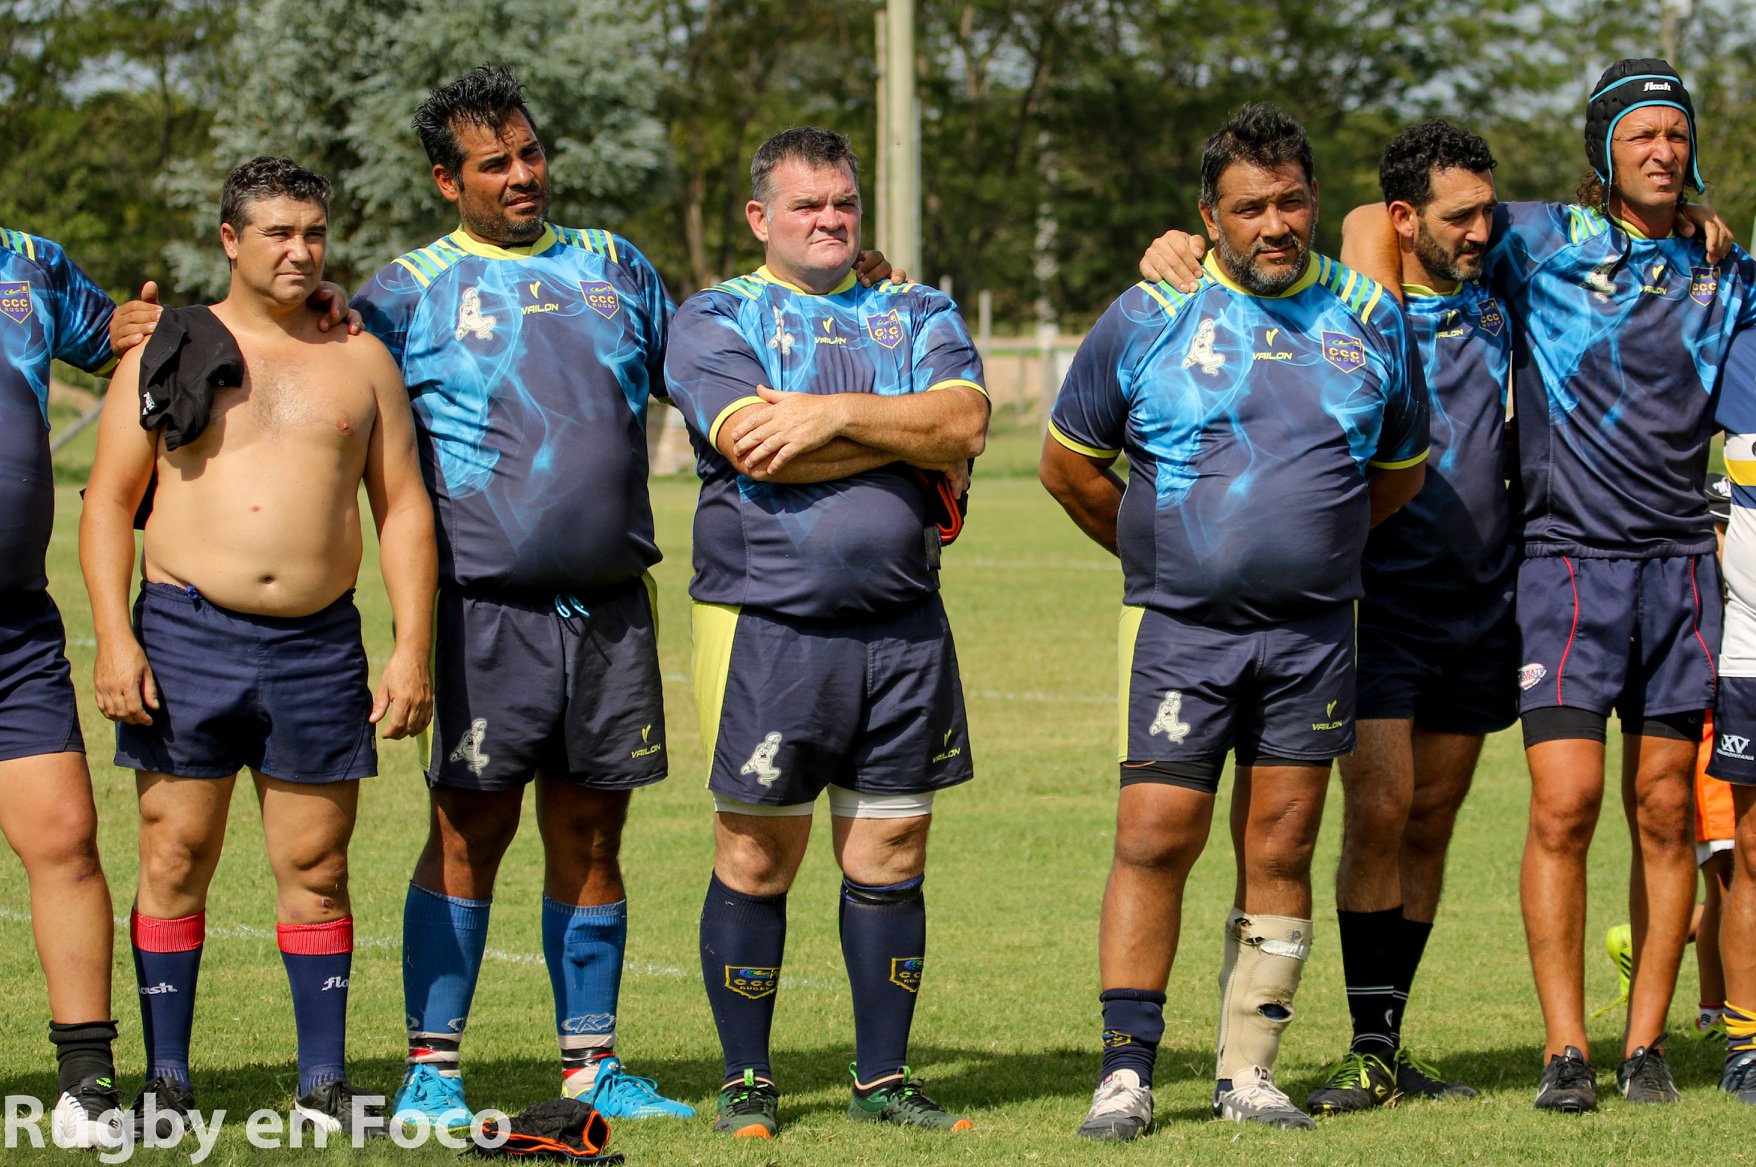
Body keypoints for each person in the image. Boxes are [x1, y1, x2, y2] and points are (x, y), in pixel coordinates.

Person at [1042, 103, 1427, 1140]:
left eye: (1292, 200)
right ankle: (1125, 1074)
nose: (1275, 223)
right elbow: (1068, 467)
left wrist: (1314, 545)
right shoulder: (1148, 311)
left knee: (1285, 840)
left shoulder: (1370, 314)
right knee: (1154, 836)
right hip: (1182, 633)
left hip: (1311, 638)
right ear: (1208, 217)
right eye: (1249, 206)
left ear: (1312, 200)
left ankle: (1248, 1072)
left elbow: (1397, 472)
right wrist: (1164, 554)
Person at [350, 66, 694, 1131]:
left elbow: (711, 373)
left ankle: (592, 1068)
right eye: (494, 163)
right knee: (470, 827)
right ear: (446, 180)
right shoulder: (404, 292)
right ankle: (432, 1071)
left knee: (594, 835)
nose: (522, 176)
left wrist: (855, 286)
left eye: (530, 153)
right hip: (480, 612)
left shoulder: (615, 267)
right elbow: (317, 391)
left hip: (610, 609)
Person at [80, 155, 436, 1137]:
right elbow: (109, 504)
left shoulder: (360, 358)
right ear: (230, 240)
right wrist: (115, 638)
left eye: (313, 232)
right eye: (277, 232)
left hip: (320, 645)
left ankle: (322, 1083)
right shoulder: (168, 348)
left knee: (317, 865)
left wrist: (410, 648)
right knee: (173, 851)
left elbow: (401, 508)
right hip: (187, 632)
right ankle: (166, 1080)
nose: (300, 249)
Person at [664, 125, 988, 1140]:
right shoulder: (718, 315)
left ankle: (883, 1079)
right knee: (758, 851)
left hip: (905, 626)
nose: (830, 220)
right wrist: (895, 434)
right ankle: (748, 1081)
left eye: (843, 202)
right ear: (761, 216)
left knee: (890, 847)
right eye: (807, 205)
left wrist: (828, 413)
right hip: (768, 624)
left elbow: (966, 426)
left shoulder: (916, 307)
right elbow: (754, 447)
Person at [0, 226, 158, 1149]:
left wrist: (300, 311)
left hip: (14, 624)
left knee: (63, 835)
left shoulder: (28, 260)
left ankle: (86, 1084)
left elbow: (127, 342)